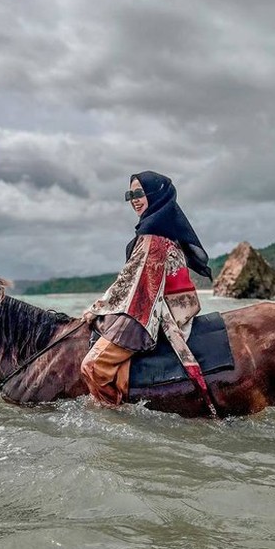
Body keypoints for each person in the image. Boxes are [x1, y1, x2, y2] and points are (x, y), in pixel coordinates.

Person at [80, 171, 213, 410]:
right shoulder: (164, 228)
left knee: (92, 365)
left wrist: (95, 308)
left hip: (155, 313)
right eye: (130, 194)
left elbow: (130, 281)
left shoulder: (154, 236)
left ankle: (114, 413)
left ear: (156, 194)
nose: (134, 199)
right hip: (171, 307)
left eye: (139, 193)